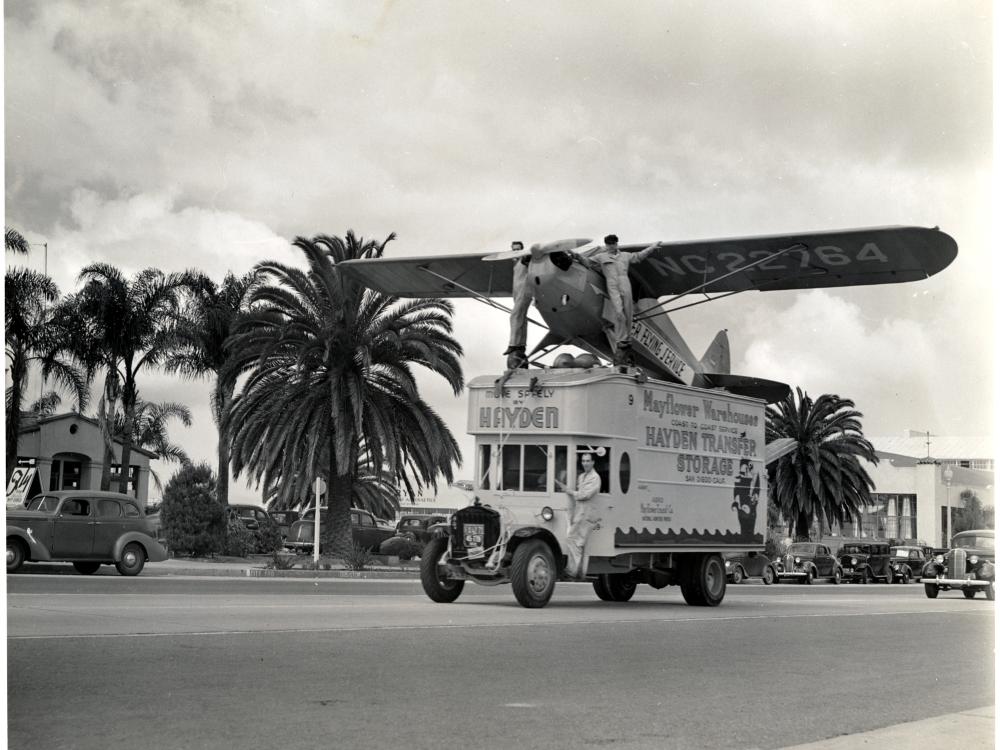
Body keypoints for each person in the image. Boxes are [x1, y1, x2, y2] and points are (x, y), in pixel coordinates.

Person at [591, 234, 664, 364]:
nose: (610, 246)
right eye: (608, 244)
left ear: (616, 244)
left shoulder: (625, 255)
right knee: (618, 312)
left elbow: (638, 256)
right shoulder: (601, 257)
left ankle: (626, 340)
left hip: (624, 282)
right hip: (612, 284)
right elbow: (587, 262)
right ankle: (621, 340)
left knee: (628, 312)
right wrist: (574, 256)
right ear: (606, 245)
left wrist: (652, 247)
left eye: (612, 243)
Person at [555, 452, 602, 579]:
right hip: (580, 513)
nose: (585, 463)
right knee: (576, 541)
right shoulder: (581, 477)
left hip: (587, 515)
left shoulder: (595, 478)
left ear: (593, 462)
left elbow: (585, 495)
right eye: (583, 461)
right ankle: (576, 570)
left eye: (588, 461)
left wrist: (568, 490)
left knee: (574, 540)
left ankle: (572, 571)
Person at [503, 240, 531, 370]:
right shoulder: (515, 263)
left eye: (519, 249)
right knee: (521, 317)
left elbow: (529, 258)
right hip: (517, 291)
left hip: (524, 291)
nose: (516, 252)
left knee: (515, 316)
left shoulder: (524, 259)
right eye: (514, 250)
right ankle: (521, 345)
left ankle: (514, 344)